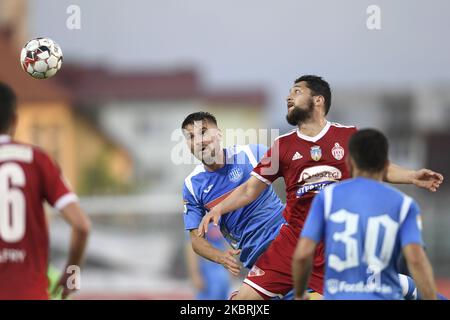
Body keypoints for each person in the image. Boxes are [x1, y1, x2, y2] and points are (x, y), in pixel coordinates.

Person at [198, 75, 444, 300]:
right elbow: (250, 189)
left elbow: (381, 167)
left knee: (375, 289)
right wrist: (218, 209)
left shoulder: (347, 136)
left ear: (318, 100)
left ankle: (404, 286)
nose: (288, 97)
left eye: (296, 92)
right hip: (292, 242)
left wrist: (413, 176)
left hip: (338, 245)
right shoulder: (282, 145)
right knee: (242, 302)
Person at [292, 129, 438, 299]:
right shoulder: (404, 205)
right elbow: (416, 260)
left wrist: (299, 294)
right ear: (385, 165)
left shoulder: (328, 198)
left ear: (349, 163)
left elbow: (302, 255)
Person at [182, 112, 305, 299]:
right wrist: (220, 257)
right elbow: (196, 241)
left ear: (219, 134)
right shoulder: (192, 185)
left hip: (284, 242)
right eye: (191, 137)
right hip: (257, 262)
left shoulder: (251, 153)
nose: (198, 141)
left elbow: (297, 170)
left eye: (203, 132)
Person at [0, 82, 91, 299]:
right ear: (14, 121)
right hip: (31, 293)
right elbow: (81, 225)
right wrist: (71, 273)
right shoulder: (38, 160)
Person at [185, 224, 231, 300]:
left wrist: (230, 269)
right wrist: (195, 274)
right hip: (205, 272)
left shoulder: (221, 218)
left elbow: (227, 243)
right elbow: (191, 249)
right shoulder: (196, 220)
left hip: (222, 270)